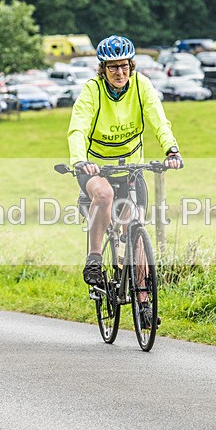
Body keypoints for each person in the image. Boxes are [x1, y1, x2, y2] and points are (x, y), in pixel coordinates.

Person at [67, 35, 182, 315]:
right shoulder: (92, 90)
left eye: (124, 66)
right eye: (112, 67)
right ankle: (94, 259)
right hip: (96, 168)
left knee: (135, 229)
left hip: (131, 170)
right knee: (104, 194)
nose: (119, 73)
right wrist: (80, 160)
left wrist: (171, 149)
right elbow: (78, 127)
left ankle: (143, 300)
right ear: (103, 69)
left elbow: (158, 120)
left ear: (131, 66)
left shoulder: (142, 86)